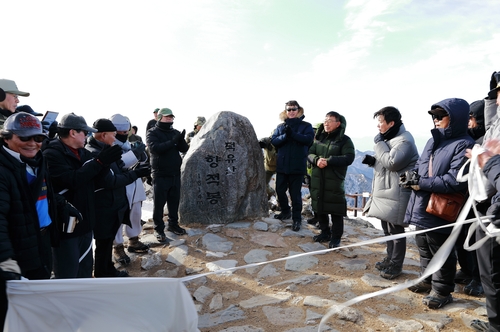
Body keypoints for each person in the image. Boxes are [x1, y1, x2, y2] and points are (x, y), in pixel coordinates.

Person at [0, 113, 71, 328]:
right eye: (24, 138)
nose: (32, 143)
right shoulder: (3, 170)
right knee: (15, 313)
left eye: (38, 138)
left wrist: (62, 205)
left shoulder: (37, 161)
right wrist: (5, 260)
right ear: (6, 137)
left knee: (36, 304)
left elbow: (42, 194)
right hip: (16, 251)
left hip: (40, 243)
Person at [403, 98, 474, 309]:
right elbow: (420, 165)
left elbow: (456, 181)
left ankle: (442, 291)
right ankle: (427, 280)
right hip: (422, 202)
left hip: (440, 207)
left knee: (440, 249)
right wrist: (412, 176)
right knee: (423, 245)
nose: (435, 120)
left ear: (455, 119)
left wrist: (420, 183)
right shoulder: (432, 141)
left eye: (440, 116)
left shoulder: (465, 144)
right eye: (433, 115)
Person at [43, 113, 123, 278]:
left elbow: (99, 179)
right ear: (72, 133)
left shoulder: (83, 153)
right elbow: (72, 179)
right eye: (84, 132)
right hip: (67, 226)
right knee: (68, 274)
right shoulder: (51, 154)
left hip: (86, 222)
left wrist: (106, 161)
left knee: (85, 270)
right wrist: (99, 162)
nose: (87, 135)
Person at [362, 107, 419, 279]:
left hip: (398, 194)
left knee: (396, 230)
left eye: (381, 122)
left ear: (391, 123)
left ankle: (396, 265)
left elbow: (393, 163)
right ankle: (390, 258)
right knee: (387, 228)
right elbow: (386, 162)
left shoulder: (404, 141)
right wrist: (373, 161)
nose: (378, 126)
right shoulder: (392, 138)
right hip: (388, 192)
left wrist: (378, 144)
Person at [453, 99, 485, 296]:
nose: (468, 123)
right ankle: (466, 270)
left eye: (471, 118)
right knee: (463, 236)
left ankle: (480, 278)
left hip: (482, 200)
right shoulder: (468, 139)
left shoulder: (487, 141)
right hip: (465, 198)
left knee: (479, 241)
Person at [308, 111, 354, 247]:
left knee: (336, 211)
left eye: (330, 120)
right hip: (317, 179)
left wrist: (329, 161)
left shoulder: (344, 140)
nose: (326, 123)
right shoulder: (319, 138)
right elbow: (309, 153)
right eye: (325, 120)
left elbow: (349, 157)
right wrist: (316, 160)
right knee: (319, 207)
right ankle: (324, 232)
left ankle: (336, 237)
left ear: (338, 124)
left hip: (334, 180)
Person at [109, 114, 150, 265]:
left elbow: (143, 160)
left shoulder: (129, 143)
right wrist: (135, 155)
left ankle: (134, 240)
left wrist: (140, 153)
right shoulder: (110, 145)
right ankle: (117, 246)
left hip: (135, 182)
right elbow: (119, 165)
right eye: (121, 132)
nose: (124, 134)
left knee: (135, 213)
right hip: (121, 184)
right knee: (119, 217)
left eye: (126, 131)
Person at [146, 108, 189, 242]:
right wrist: (173, 141)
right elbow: (155, 149)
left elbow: (184, 149)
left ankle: (173, 224)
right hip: (160, 173)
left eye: (171, 117)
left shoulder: (174, 132)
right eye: (167, 117)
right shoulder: (153, 132)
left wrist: (181, 140)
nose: (169, 119)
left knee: (174, 201)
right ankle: (158, 228)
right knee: (159, 203)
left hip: (175, 172)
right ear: (159, 118)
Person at [271, 100, 314, 232]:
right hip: (282, 165)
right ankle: (285, 211)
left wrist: (293, 135)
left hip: (297, 166)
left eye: (293, 109)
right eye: (289, 109)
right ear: (285, 111)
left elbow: (308, 140)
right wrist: (285, 135)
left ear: (298, 110)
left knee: (295, 195)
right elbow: (274, 141)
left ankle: (297, 219)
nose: (291, 112)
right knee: (279, 190)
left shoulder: (306, 126)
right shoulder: (280, 126)